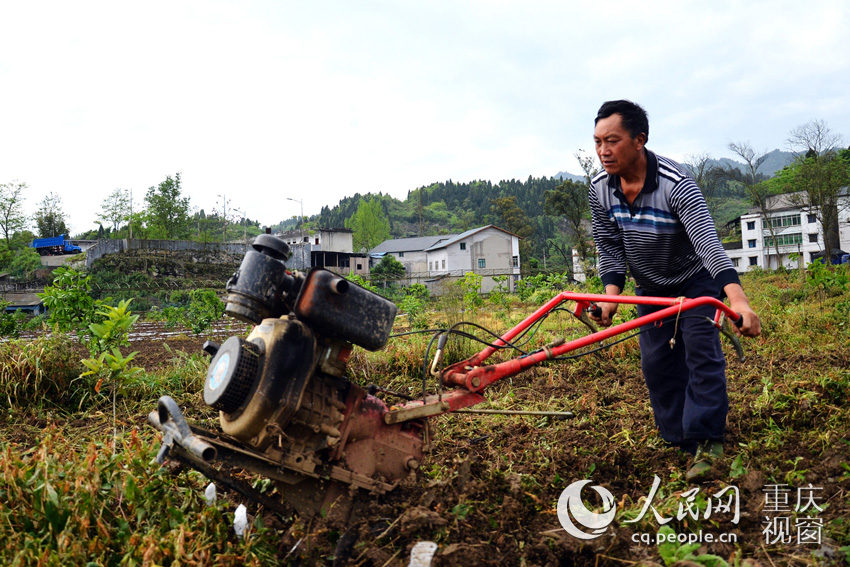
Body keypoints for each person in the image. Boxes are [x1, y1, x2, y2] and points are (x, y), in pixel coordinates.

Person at [586, 100, 761, 481]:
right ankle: (680, 438)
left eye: (612, 140)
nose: (603, 151)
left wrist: (739, 301)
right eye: (598, 141)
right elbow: (611, 249)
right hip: (649, 288)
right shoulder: (599, 189)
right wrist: (608, 300)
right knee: (657, 364)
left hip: (696, 283)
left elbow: (709, 246)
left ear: (639, 140)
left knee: (701, 355)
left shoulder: (676, 184)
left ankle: (707, 441)